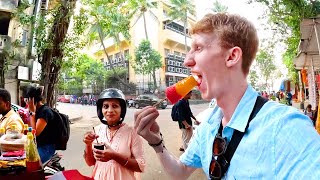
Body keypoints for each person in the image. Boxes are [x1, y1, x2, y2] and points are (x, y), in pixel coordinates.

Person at [133, 13, 320, 179]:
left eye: (198, 48)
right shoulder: (209, 126)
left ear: (231, 57)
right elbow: (180, 171)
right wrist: (156, 142)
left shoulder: (286, 128)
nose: (187, 60)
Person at [83, 88, 145, 180]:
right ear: (101, 110)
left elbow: (140, 166)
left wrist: (114, 156)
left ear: (122, 110)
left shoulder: (132, 133)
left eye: (115, 106)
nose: (110, 110)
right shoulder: (97, 130)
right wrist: (88, 145)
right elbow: (90, 163)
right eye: (106, 106)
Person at [24, 84, 56, 163]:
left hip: (46, 148)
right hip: (37, 146)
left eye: (27, 100)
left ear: (31, 100)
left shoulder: (45, 112)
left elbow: (35, 133)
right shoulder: (36, 110)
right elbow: (29, 128)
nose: (26, 102)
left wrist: (32, 113)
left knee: (29, 164)